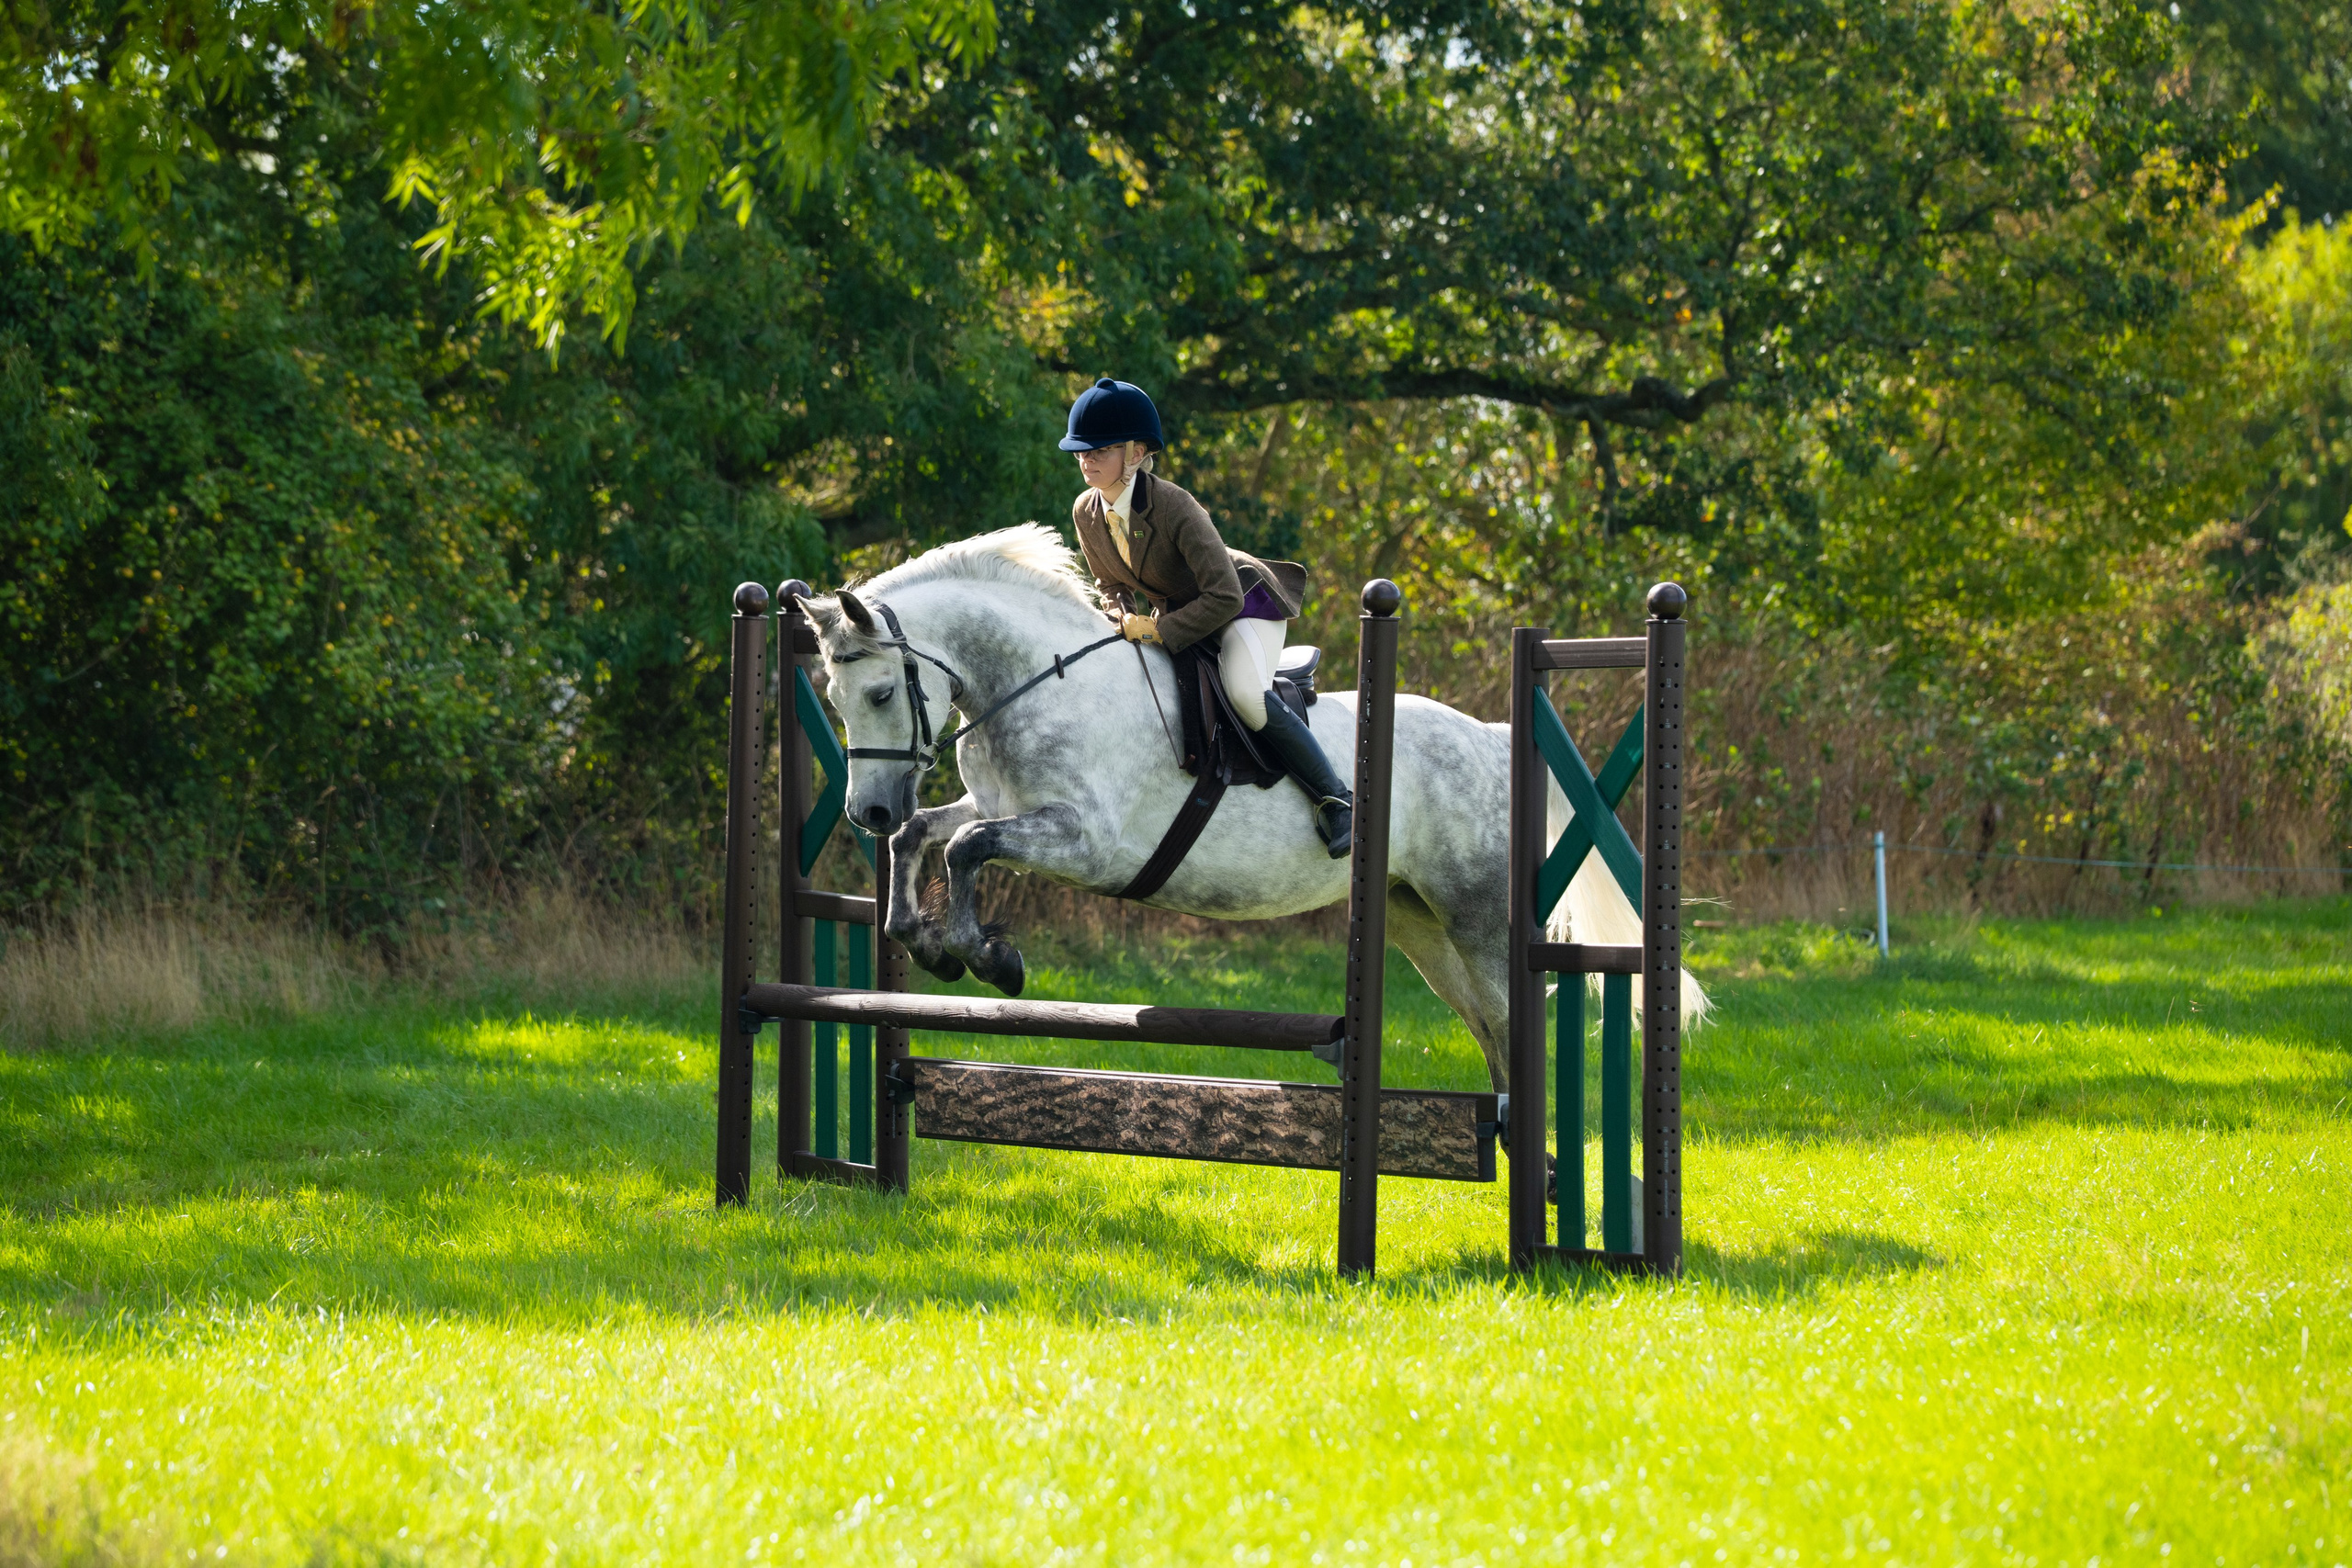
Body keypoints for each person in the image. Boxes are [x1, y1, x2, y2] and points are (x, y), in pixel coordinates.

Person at [1061, 378, 1353, 858]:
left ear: (1135, 453)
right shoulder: (1086, 510)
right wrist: (1119, 616)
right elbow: (1109, 583)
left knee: (1244, 693)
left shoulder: (1174, 504)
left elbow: (1223, 596)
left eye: (1101, 450)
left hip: (1246, 604)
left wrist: (1157, 628)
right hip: (1183, 610)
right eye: (1081, 452)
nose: (1086, 460)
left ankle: (1338, 800)